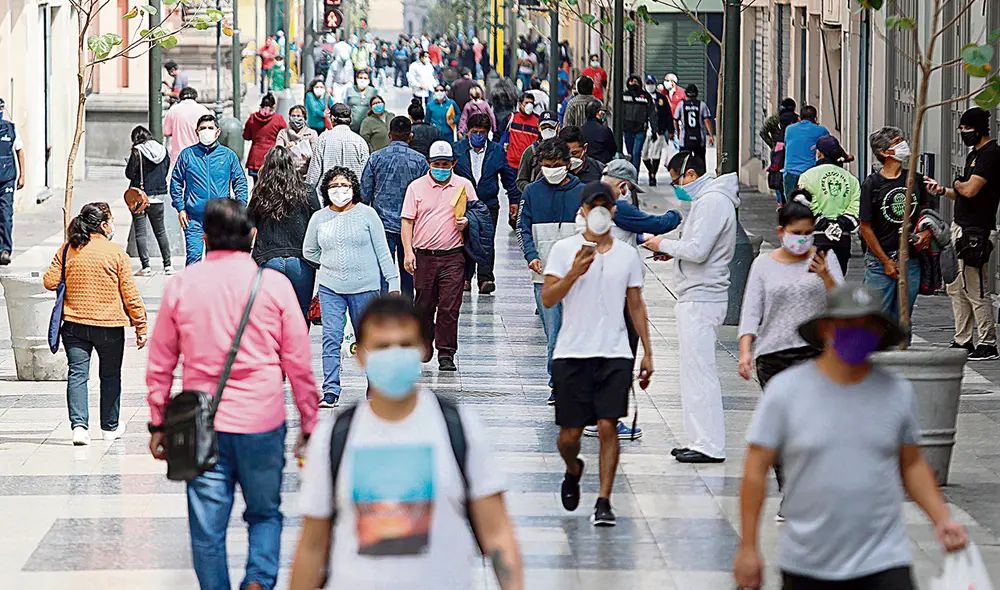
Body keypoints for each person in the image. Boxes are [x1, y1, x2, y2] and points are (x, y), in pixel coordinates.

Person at [734, 284, 968, 590]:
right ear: (827, 328)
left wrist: (941, 518)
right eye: (847, 324)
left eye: (866, 326)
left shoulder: (896, 392)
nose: (857, 333)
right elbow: (755, 470)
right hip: (807, 561)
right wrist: (749, 547)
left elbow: (911, 464)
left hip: (884, 558)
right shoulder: (787, 391)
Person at [288, 295, 523, 590]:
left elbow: (497, 530)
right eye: (382, 346)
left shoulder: (458, 427)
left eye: (405, 344)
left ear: (424, 350)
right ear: (360, 354)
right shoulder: (336, 436)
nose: (394, 354)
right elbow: (312, 545)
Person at [146, 198, 318, 590]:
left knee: (207, 528)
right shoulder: (272, 286)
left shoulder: (182, 286)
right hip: (262, 421)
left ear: (204, 238)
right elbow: (299, 363)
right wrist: (309, 423)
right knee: (264, 514)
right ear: (252, 236)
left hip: (200, 426)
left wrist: (158, 423)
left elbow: (160, 364)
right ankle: (258, 580)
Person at [542, 181, 653, 527]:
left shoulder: (627, 254)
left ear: (614, 212)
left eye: (607, 207)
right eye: (595, 207)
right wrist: (574, 272)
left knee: (608, 425)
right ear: (584, 211)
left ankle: (604, 499)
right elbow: (548, 298)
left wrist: (647, 352)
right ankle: (573, 468)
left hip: (615, 351)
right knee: (569, 435)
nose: (601, 213)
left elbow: (635, 303)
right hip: (572, 352)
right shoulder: (564, 250)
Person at [737, 195, 842, 502]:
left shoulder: (824, 258)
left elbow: (841, 303)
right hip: (773, 356)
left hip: (816, 354)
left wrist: (823, 276)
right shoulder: (763, 265)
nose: (803, 239)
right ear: (781, 231)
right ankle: (790, 491)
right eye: (796, 233)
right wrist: (746, 352)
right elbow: (751, 311)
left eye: (808, 232)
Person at [642, 152, 739, 463]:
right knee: (693, 372)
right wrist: (673, 253)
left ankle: (710, 444)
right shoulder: (711, 200)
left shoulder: (713, 202)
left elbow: (698, 250)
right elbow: (697, 248)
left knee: (700, 373)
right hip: (697, 294)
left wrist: (662, 244)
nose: (677, 186)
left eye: (677, 179)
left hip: (703, 297)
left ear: (692, 173)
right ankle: (700, 439)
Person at [44, 202, 147, 446]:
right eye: (111, 221)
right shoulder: (116, 254)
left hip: (74, 325)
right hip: (109, 327)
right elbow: (130, 295)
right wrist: (141, 326)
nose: (112, 226)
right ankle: (110, 427)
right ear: (103, 225)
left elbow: (49, 281)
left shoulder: (68, 250)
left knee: (77, 374)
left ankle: (79, 428)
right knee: (110, 375)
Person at [305, 167, 399, 407]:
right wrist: (327, 262)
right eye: (334, 185)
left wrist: (394, 282)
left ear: (354, 188)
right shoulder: (319, 217)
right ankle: (330, 390)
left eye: (344, 185)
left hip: (365, 287)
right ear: (326, 190)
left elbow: (383, 252)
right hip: (330, 287)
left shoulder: (367, 215)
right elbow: (309, 250)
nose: (339, 190)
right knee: (330, 337)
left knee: (368, 337)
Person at [924, 108, 1000, 358]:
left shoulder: (990, 155)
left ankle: (988, 342)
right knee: (956, 287)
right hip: (962, 226)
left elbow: (969, 190)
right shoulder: (974, 155)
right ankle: (963, 338)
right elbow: (960, 191)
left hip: (976, 231)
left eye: (966, 130)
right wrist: (942, 189)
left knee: (975, 288)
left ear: (977, 129)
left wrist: (957, 183)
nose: (963, 134)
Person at [401, 141, 479, 372]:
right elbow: (407, 221)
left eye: (446, 164)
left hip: (453, 256)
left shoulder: (464, 185)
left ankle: (446, 352)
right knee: (424, 305)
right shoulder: (415, 187)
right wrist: (408, 252)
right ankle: (424, 342)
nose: (441, 168)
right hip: (424, 256)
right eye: (437, 164)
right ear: (429, 163)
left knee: (449, 306)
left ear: (454, 163)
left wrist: (468, 222)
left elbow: (478, 214)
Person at [517, 138, 584, 402]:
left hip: (577, 276)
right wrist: (530, 256)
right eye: (547, 165)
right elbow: (522, 228)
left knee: (577, 328)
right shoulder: (532, 192)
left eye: (557, 165)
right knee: (554, 331)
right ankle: (558, 383)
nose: (552, 169)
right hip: (543, 275)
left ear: (568, 164)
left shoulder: (583, 192)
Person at [859, 126, 931, 330]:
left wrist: (926, 231)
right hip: (880, 262)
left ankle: (902, 356)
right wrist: (885, 261)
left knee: (903, 318)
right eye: (897, 142)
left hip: (910, 258)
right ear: (884, 152)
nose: (903, 145)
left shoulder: (914, 179)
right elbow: (865, 227)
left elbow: (925, 211)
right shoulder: (872, 184)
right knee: (876, 318)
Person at [248, 146, 321, 321]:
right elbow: (318, 224)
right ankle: (298, 346)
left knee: (269, 312)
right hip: (301, 261)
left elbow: (249, 226)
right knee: (301, 311)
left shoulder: (260, 194)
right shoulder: (308, 192)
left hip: (268, 258)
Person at [360, 116, 429, 298]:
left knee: (383, 270)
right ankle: (406, 309)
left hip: (381, 225)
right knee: (409, 268)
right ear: (410, 136)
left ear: (389, 135)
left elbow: (364, 193)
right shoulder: (421, 161)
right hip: (410, 226)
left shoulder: (375, 158)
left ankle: (383, 309)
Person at [170, 114, 249, 266]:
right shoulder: (187, 155)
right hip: (193, 219)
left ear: (218, 132)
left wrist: (239, 208)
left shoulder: (228, 156)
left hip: (220, 219)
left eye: (210, 128)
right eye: (203, 128)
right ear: (196, 132)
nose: (206, 131)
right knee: (193, 259)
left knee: (218, 262)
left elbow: (240, 182)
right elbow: (176, 182)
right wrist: (180, 208)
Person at [454, 113, 520, 294]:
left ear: (487, 133)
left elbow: (508, 176)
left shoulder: (497, 151)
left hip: (488, 204)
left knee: (486, 239)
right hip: (464, 205)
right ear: (468, 132)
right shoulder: (457, 150)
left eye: (482, 132)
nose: (478, 135)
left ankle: (485, 278)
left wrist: (513, 199)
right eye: (474, 131)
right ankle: (465, 277)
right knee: (464, 239)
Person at [796, 134, 860, 275]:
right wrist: (839, 224)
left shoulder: (807, 176)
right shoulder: (851, 179)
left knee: (813, 285)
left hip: (816, 236)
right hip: (842, 238)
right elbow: (855, 210)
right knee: (837, 283)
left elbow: (805, 206)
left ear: (820, 153)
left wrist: (824, 222)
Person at [124, 125, 174, 276]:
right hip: (158, 196)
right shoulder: (162, 150)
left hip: (140, 196)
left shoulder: (137, 151)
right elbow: (165, 171)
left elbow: (129, 173)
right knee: (160, 230)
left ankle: (146, 266)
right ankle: (168, 265)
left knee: (141, 232)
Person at [306, 103, 371, 185]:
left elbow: (314, 172)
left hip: (327, 193)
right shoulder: (360, 141)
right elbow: (366, 174)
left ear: (332, 119)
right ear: (350, 118)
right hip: (352, 193)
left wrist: (308, 190)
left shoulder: (323, 138)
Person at [782, 105, 829, 197]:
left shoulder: (789, 129)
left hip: (790, 172)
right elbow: (829, 145)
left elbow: (786, 145)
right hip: (809, 172)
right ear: (815, 117)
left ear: (799, 118)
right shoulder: (821, 130)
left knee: (790, 203)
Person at [242, 93, 287, 181]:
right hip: (271, 157)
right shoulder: (278, 119)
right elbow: (285, 136)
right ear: (274, 106)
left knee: (256, 186)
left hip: (255, 158)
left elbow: (246, 136)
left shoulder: (252, 118)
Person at [162, 86, 211, 167]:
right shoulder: (203, 110)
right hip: (199, 156)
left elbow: (166, 132)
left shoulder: (173, 110)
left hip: (178, 156)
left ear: (180, 98)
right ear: (196, 98)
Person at [0, 98, 23, 265]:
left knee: (5, 215)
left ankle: (5, 250)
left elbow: (20, 151)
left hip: (7, 179)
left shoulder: (10, 129)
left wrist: (23, 175)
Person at [515, 110, 559, 193]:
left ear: (558, 126)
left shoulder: (563, 149)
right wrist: (533, 191)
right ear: (538, 127)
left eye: (551, 127)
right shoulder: (531, 151)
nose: (547, 130)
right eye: (544, 127)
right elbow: (520, 180)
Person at [622, 74, 657, 173]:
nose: (633, 83)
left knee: (636, 152)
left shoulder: (645, 96)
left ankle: (635, 174)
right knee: (630, 153)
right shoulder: (625, 95)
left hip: (640, 129)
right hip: (627, 128)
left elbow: (652, 113)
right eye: (631, 81)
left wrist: (654, 129)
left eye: (635, 81)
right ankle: (630, 173)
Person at [275, 104, 319, 178]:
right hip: (288, 174)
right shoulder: (283, 133)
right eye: (293, 116)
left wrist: (308, 156)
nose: (296, 118)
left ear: (304, 118)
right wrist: (286, 149)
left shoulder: (312, 133)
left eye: (299, 116)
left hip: (306, 175)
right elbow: (277, 152)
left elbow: (316, 155)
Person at [673, 84, 714, 162]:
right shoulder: (702, 105)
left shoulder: (681, 105)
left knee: (684, 161)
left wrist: (678, 132)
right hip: (699, 139)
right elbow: (707, 121)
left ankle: (685, 173)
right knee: (700, 161)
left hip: (684, 139)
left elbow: (675, 120)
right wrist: (711, 135)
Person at [505, 93, 541, 179]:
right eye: (526, 102)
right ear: (520, 104)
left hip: (529, 164)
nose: (529, 105)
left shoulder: (537, 121)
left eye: (531, 103)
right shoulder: (511, 118)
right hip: (511, 163)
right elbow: (498, 134)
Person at [646, 77, 674, 186]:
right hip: (645, 129)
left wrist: (670, 129)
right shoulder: (643, 97)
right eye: (648, 83)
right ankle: (650, 169)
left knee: (656, 154)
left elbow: (668, 114)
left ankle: (652, 175)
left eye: (652, 83)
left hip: (659, 130)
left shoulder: (661, 98)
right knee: (644, 155)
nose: (650, 85)